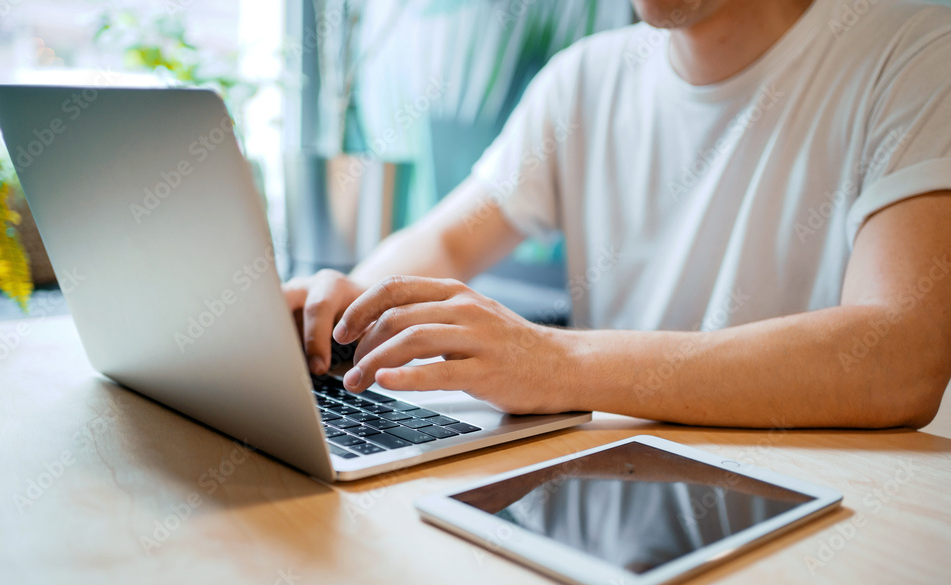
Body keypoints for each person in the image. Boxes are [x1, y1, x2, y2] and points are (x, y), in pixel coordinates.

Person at [284, 0, 951, 429]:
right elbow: (449, 242)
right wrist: (351, 306)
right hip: (621, 483)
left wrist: (556, 363)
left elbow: (900, 357)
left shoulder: (915, 48)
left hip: (819, 504)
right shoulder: (585, 78)